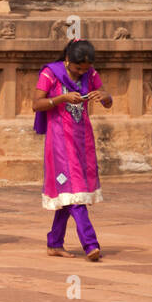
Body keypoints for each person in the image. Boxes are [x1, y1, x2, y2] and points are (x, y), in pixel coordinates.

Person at [32, 39, 113, 261]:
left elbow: (106, 99)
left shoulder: (91, 74)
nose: (81, 73)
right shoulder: (50, 73)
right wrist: (61, 98)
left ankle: (54, 242)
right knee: (76, 193)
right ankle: (90, 244)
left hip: (82, 139)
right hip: (59, 140)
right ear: (67, 60)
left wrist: (105, 97)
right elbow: (36, 104)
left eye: (85, 69)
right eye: (78, 68)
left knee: (70, 192)